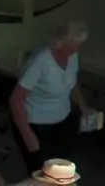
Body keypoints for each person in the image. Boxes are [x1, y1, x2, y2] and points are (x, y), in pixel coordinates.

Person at [9, 23, 92, 177]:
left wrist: (82, 105)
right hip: (38, 125)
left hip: (63, 121)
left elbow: (72, 83)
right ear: (60, 43)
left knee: (64, 171)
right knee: (44, 175)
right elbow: (15, 100)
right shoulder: (39, 62)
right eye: (73, 46)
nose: (76, 50)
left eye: (79, 46)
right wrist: (28, 136)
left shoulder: (73, 56)